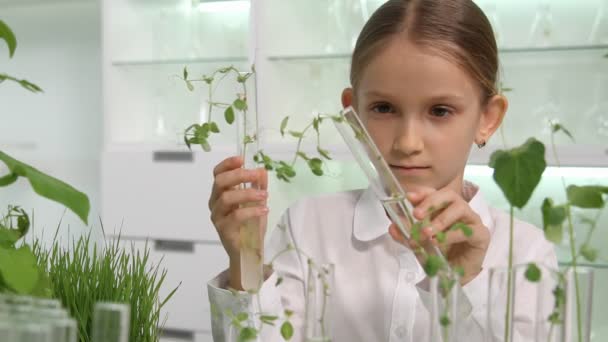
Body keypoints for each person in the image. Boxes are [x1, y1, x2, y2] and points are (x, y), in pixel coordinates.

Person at [206, 0, 557, 341]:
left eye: (440, 111)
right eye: (384, 107)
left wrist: (463, 285)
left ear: (487, 118)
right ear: (353, 111)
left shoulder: (525, 253)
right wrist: (245, 261)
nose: (407, 142)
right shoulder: (307, 226)